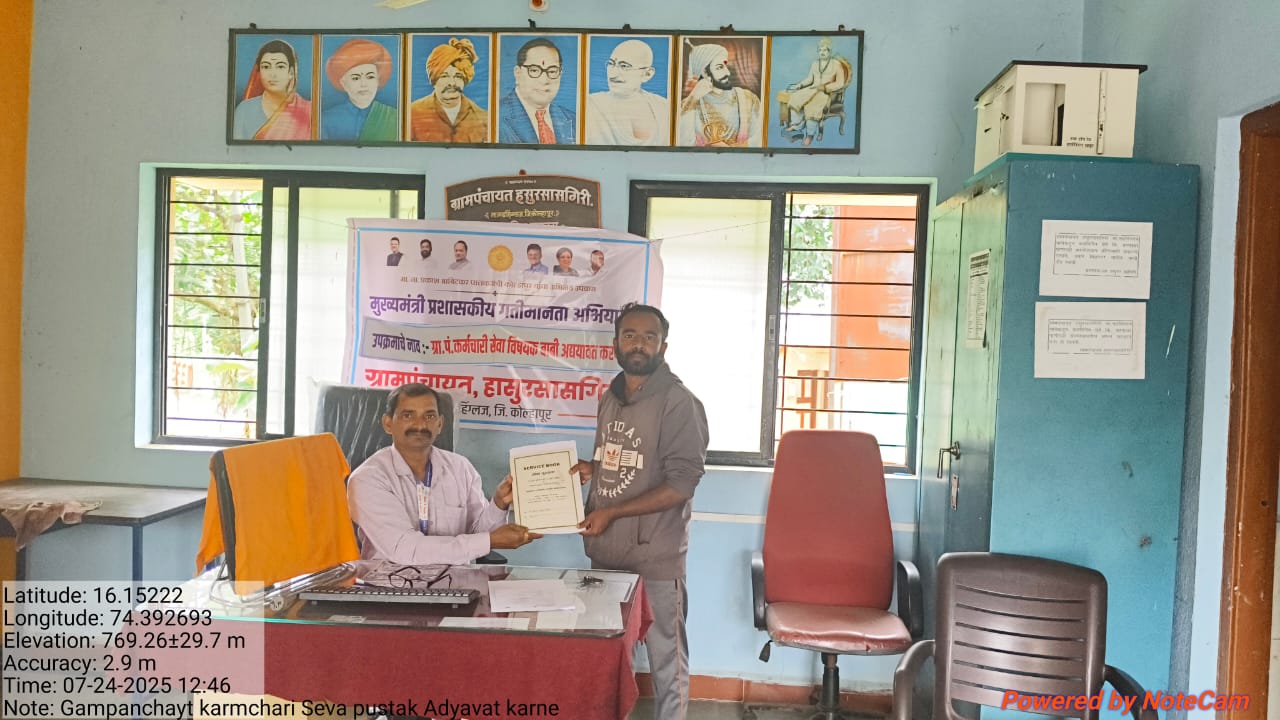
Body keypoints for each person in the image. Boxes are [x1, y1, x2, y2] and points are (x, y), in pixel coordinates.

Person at [574, 303, 708, 720]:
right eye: (630, 335)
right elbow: (624, 460)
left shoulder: (679, 402)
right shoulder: (610, 397)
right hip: (606, 553)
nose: (638, 344)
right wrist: (592, 469)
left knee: (667, 658)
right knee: (612, 655)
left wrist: (613, 513)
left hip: (655, 558)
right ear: (615, 343)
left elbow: (680, 485)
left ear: (663, 347)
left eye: (649, 337)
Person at [347, 383, 541, 566]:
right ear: (388, 423)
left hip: (455, 581)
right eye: (408, 415)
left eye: (429, 416)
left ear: (440, 424)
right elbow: (405, 549)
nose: (420, 425)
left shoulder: (460, 468)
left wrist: (498, 504)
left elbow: (479, 533)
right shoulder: (368, 478)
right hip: (390, 584)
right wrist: (490, 540)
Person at [584, 39, 671, 146]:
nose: (613, 74)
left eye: (624, 66)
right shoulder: (590, 104)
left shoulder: (663, 107)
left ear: (647, 74)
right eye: (611, 64)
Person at [676, 42, 762, 148]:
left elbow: (760, 138)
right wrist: (693, 98)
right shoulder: (689, 104)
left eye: (725, 66)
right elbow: (683, 142)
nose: (727, 73)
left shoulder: (748, 98)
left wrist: (730, 149)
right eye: (719, 67)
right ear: (705, 73)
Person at [409, 37, 489, 143]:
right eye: (444, 76)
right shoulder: (412, 114)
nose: (452, 83)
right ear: (434, 79)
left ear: (465, 79)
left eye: (458, 76)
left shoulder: (483, 119)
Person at [499, 38, 576, 145]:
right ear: (517, 73)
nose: (544, 80)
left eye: (552, 71)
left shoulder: (573, 119)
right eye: (534, 70)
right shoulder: (495, 117)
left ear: (560, 74)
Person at [233, 39, 312, 141]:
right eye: (266, 67)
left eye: (280, 67)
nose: (273, 74)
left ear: (291, 73)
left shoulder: (309, 111)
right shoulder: (244, 110)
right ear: (259, 72)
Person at [321, 38, 398, 142]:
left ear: (378, 80)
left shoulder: (394, 118)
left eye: (370, 77)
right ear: (343, 83)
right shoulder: (326, 119)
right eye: (356, 78)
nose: (363, 84)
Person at [776, 37, 848, 147]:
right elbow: (809, 79)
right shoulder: (815, 64)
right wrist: (799, 85)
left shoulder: (836, 64)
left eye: (825, 50)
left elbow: (840, 83)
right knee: (795, 97)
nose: (822, 52)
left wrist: (825, 88)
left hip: (827, 93)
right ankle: (796, 127)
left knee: (812, 105)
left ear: (829, 51)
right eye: (820, 50)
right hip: (812, 89)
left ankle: (810, 135)